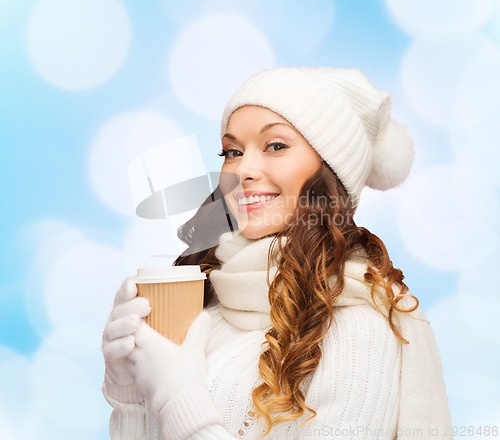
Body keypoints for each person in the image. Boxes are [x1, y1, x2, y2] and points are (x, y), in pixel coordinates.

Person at [102, 67, 453, 440]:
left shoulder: (357, 328)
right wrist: (128, 390)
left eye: (276, 146)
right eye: (232, 151)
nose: (244, 170)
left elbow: (180, 408)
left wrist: (178, 397)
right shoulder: (211, 302)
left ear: (329, 171)